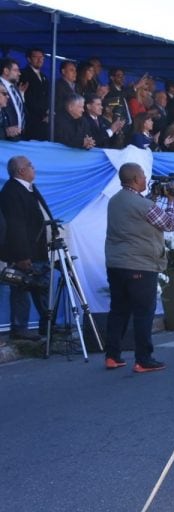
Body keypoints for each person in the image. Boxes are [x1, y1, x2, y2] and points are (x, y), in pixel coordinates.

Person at [104, 162, 174, 372]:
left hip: (116, 264)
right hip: (140, 265)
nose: (147, 179)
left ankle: (112, 355)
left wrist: (153, 197)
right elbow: (169, 224)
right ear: (136, 179)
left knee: (118, 309)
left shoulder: (115, 200)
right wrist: (171, 201)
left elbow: (139, 213)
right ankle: (143, 359)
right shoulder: (141, 204)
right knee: (144, 312)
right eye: (144, 176)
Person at [0, 155, 52, 341]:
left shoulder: (30, 189)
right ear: (21, 170)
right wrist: (21, 255)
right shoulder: (11, 192)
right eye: (30, 165)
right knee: (21, 289)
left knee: (42, 287)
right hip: (24, 252)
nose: (34, 168)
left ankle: (47, 326)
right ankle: (19, 328)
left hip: (38, 249)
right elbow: (15, 226)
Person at [18, 49, 49, 141]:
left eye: (42, 58)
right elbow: (26, 98)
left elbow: (47, 96)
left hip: (45, 119)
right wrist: (42, 115)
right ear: (29, 59)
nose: (40, 60)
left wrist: (48, 112)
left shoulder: (44, 76)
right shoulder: (23, 74)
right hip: (31, 119)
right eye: (36, 57)